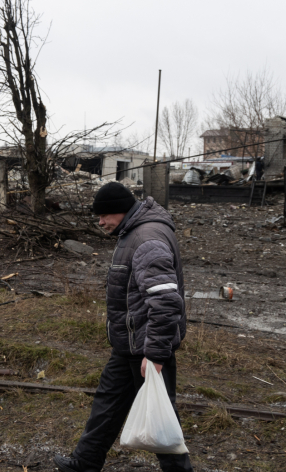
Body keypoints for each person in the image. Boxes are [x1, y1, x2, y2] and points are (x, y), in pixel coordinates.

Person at [54, 182, 193, 472]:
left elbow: (166, 301)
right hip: (130, 345)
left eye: (103, 216)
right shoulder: (135, 232)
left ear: (119, 210)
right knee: (107, 405)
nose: (100, 223)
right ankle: (85, 463)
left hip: (146, 348)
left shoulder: (146, 239)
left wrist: (154, 354)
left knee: (160, 419)